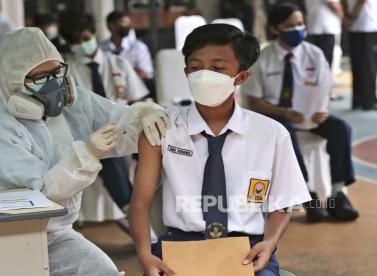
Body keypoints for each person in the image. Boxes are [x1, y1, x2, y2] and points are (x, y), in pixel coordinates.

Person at [0, 27, 170, 276]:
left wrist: (144, 114)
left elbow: (121, 123)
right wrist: (86, 156)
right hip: (1, 238)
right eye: (40, 76)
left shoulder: (76, 104)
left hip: (56, 236)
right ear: (14, 83)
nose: (54, 83)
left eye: (57, 71)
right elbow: (38, 198)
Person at [129, 23, 311, 276]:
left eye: (217, 68)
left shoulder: (271, 134)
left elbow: (280, 205)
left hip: (247, 247)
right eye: (195, 67)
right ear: (186, 72)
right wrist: (144, 253)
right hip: (180, 247)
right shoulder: (161, 129)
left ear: (242, 76)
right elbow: (139, 203)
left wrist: (269, 242)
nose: (204, 75)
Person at [240, 3, 359, 222]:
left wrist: (323, 110)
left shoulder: (314, 54)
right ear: (275, 29)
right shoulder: (262, 59)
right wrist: (283, 111)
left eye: (300, 24)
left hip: (311, 115)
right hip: (276, 116)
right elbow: (254, 102)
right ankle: (309, 195)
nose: (297, 30)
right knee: (286, 131)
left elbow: (325, 89)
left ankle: (338, 194)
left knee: (341, 128)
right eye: (289, 26)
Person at [60, 12, 150, 220]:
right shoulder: (66, 71)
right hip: (86, 132)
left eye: (86, 38)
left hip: (123, 126)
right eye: (76, 41)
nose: (83, 44)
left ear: (93, 33)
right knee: (106, 154)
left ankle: (147, 208)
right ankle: (133, 211)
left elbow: (138, 99)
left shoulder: (117, 63)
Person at [101, 11, 155, 99]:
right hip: (108, 88)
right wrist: (133, 70)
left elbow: (144, 73)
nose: (127, 26)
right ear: (111, 25)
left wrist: (118, 74)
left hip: (135, 88)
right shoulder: (101, 49)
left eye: (128, 23)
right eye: (123, 22)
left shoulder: (138, 47)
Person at [342, 0, 377, 110]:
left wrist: (348, 16)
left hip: (357, 26)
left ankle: (358, 101)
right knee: (369, 66)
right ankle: (368, 102)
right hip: (367, 25)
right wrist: (351, 18)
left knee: (358, 65)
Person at [305, 0, 343, 67]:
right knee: (325, 62)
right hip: (326, 28)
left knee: (317, 61)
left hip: (314, 26)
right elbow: (334, 4)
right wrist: (344, 18)